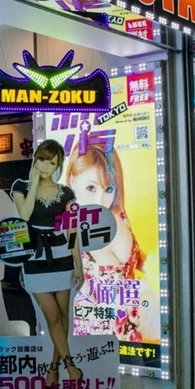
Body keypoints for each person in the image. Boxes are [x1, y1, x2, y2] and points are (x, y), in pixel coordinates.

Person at [65, 133, 159, 344]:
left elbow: (138, 261)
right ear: (72, 180)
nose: (100, 200)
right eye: (91, 188)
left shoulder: (116, 214)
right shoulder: (72, 226)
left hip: (127, 331)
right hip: (98, 335)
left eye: (108, 189)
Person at [11, 140, 85, 389]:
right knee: (52, 317)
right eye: (42, 159)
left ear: (58, 166)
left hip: (62, 258)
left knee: (62, 319)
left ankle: (53, 371)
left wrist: (79, 264)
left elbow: (72, 230)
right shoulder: (20, 187)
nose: (44, 166)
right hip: (34, 259)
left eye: (51, 162)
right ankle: (73, 369)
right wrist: (33, 183)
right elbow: (24, 216)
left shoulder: (66, 193)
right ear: (35, 159)